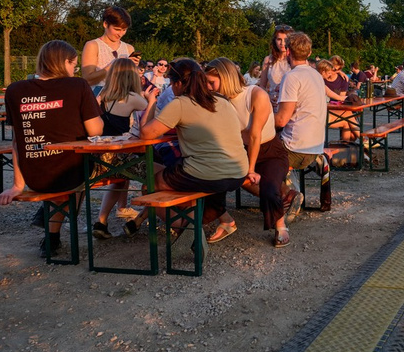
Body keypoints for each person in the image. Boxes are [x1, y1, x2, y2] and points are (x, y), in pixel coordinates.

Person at [0, 41, 104, 258]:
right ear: (63, 62)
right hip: (72, 171)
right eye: (73, 64)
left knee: (68, 182)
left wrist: (18, 184)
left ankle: (52, 237)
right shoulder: (77, 85)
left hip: (35, 175)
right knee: (116, 166)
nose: (75, 69)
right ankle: (110, 222)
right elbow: (95, 130)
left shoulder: (15, 90)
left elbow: (17, 140)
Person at [133, 59, 248, 243]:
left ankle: (188, 231)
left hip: (207, 173)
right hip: (238, 171)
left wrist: (151, 101)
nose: (171, 88)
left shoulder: (180, 103)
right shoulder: (221, 100)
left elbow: (146, 134)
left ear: (178, 83)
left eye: (172, 84)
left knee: (149, 186)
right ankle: (205, 221)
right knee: (164, 170)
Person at [203, 58, 294, 247]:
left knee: (269, 189)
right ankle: (226, 221)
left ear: (226, 78)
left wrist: (250, 169)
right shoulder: (219, 101)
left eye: (211, 82)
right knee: (210, 179)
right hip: (240, 151)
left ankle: (280, 224)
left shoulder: (255, 94)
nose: (208, 87)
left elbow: (255, 136)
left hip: (269, 151)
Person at [92, 59, 156, 239]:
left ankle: (101, 221)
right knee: (157, 172)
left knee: (119, 179)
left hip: (100, 157)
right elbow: (154, 119)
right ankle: (143, 217)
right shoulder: (133, 97)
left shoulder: (102, 95)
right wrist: (151, 100)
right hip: (117, 157)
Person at [273, 32, 328, 237]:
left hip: (295, 148)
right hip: (316, 148)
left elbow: (281, 120)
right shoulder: (316, 75)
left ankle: (289, 193)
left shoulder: (292, 76)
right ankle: (291, 185)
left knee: (258, 155)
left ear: (287, 51)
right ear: (310, 52)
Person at [81, 6, 140, 95]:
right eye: (117, 29)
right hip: (99, 96)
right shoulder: (93, 45)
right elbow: (87, 80)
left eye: (124, 30)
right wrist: (113, 66)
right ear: (105, 24)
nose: (120, 34)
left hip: (123, 97)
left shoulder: (129, 48)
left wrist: (132, 68)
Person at [258, 24, 294, 112]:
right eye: (279, 39)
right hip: (272, 105)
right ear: (274, 41)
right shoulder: (268, 60)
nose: (282, 43)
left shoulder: (296, 60)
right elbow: (262, 86)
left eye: (285, 40)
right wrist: (268, 97)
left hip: (291, 106)